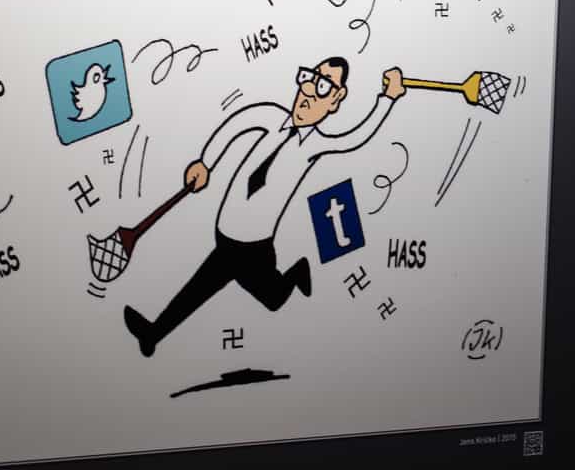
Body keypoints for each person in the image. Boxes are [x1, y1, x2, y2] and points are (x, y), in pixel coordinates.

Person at [123, 56, 405, 357]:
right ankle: (154, 334)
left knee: (218, 290)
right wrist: (206, 162)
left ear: (335, 100)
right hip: (225, 233)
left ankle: (155, 333)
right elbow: (236, 124)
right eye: (309, 79)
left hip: (253, 248)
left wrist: (387, 98)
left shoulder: (314, 145)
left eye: (323, 86)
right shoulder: (271, 116)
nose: (310, 91)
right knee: (230, 292)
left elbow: (355, 138)